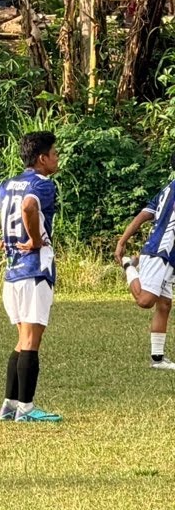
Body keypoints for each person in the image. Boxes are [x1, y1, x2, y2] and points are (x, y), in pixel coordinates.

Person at [0, 131, 62, 423]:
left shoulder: (7, 185)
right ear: (42, 158)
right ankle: (27, 409)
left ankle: (9, 405)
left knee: (22, 340)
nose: (57, 158)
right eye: (54, 153)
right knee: (31, 341)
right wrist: (35, 239)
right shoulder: (42, 184)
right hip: (35, 271)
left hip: (12, 272)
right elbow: (29, 206)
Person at [114, 153, 175, 370]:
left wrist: (122, 241)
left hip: (168, 256)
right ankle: (129, 265)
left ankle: (157, 359)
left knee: (164, 305)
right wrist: (122, 244)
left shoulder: (167, 189)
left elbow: (143, 216)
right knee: (145, 301)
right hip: (159, 251)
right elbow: (143, 216)